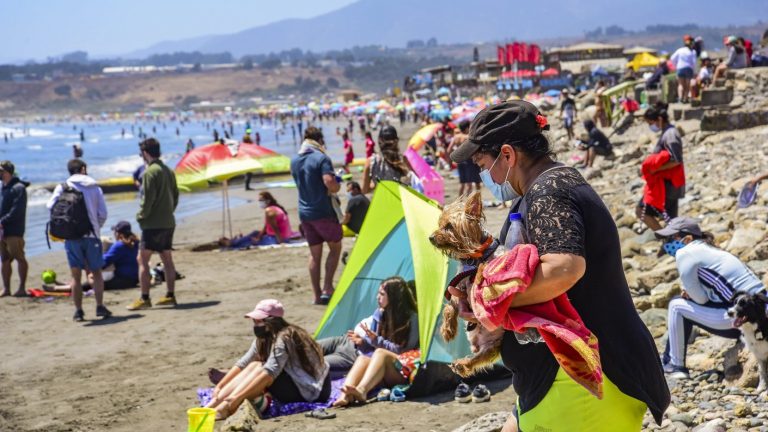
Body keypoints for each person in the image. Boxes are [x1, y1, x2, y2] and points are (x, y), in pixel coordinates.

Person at [449, 100, 669, 432]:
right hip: (556, 378)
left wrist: (487, 303)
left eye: (483, 164)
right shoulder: (541, 189)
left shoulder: (550, 192)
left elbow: (564, 268)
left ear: (507, 155)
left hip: (582, 379)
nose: (485, 176)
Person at [655, 217, 763, 378]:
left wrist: (690, 295)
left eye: (671, 238)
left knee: (677, 305)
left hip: (745, 318)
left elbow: (701, 300)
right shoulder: (712, 250)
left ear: (688, 238)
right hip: (760, 311)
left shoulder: (685, 252)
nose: (667, 243)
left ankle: (675, 366)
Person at [207, 299, 330, 420]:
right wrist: (220, 386)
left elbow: (270, 372)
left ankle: (226, 406)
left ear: (272, 321)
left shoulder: (285, 336)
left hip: (312, 390)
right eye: (254, 321)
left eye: (259, 321)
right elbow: (243, 363)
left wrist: (236, 399)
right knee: (254, 365)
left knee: (261, 368)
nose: (255, 325)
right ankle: (214, 403)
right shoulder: (264, 338)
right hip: (292, 381)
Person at [333, 277, 419, 407]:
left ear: (394, 297)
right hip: (385, 367)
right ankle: (345, 395)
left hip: (405, 370)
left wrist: (376, 341)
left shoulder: (412, 319)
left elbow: (404, 350)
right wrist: (365, 341)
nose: (377, 297)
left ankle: (362, 390)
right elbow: (376, 342)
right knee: (362, 359)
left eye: (382, 294)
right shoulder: (380, 314)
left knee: (380, 353)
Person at [46, 159, 111, 321]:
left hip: (72, 237)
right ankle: (99, 306)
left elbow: (50, 206)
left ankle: (79, 311)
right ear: (82, 169)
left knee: (75, 276)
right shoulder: (94, 187)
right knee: (96, 272)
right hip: (92, 236)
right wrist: (96, 226)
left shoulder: (62, 187)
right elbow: (103, 213)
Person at [290, 127, 341, 305]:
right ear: (319, 139)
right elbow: (329, 183)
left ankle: (317, 295)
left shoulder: (295, 160)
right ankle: (328, 287)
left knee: (314, 254)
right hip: (323, 211)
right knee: (335, 248)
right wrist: (337, 185)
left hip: (305, 213)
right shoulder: (321, 158)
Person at [127, 138, 179, 311]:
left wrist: (141, 216)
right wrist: (169, 211)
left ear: (145, 153)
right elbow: (176, 195)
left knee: (142, 259)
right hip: (168, 221)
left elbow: (147, 200)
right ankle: (170, 295)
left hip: (153, 224)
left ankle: (144, 297)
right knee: (167, 259)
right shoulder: (168, 170)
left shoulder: (150, 172)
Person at [635, 102, 685, 231]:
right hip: (667, 184)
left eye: (651, 123)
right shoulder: (667, 132)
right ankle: (669, 241)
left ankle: (666, 239)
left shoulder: (670, 134)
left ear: (659, 119)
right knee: (670, 218)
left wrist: (656, 169)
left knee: (642, 210)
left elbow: (676, 160)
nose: (651, 126)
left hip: (669, 184)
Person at [218, 191, 302, 249]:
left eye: (261, 200)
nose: (259, 202)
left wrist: (281, 242)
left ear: (267, 201)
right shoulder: (275, 208)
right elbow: (266, 227)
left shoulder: (269, 211)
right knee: (255, 233)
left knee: (249, 241)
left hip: (276, 238)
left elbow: (275, 228)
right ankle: (234, 241)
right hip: (276, 235)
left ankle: (232, 243)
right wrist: (259, 236)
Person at [0, 161, 27, 297]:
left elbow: (17, 210)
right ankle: (6, 289)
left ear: (8, 172)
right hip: (2, 231)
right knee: (4, 259)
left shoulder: (18, 187)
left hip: (14, 230)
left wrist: (2, 221)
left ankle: (22, 288)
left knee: (19, 257)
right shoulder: (3, 188)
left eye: (1, 171)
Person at [362, 126, 412, 194]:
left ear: (379, 141)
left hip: (382, 202)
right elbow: (412, 183)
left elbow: (364, 190)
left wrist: (376, 184)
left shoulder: (371, 162)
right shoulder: (403, 160)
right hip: (400, 201)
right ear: (396, 141)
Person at [98, 221, 139, 290]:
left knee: (92, 280)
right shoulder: (136, 243)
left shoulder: (119, 245)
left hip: (123, 280)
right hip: (136, 278)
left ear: (118, 233)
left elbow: (104, 262)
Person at [449, 121, 482, 196]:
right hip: (470, 161)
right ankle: (473, 202)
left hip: (460, 161)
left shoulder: (456, 137)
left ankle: (459, 203)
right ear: (467, 127)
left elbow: (449, 150)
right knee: (475, 183)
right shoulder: (468, 137)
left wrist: (451, 162)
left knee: (462, 183)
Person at [670, 35, 697, 103]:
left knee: (680, 84)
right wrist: (694, 71)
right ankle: (685, 98)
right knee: (687, 85)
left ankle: (680, 98)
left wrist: (676, 65)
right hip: (689, 69)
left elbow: (672, 58)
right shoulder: (693, 51)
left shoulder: (680, 50)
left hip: (680, 68)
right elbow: (694, 63)